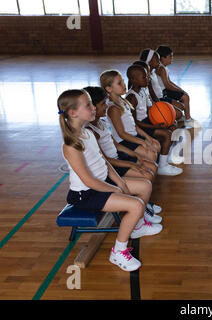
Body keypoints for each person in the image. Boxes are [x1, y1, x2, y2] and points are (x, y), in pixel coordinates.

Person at [57, 89, 162, 272]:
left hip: (102, 183)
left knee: (145, 185)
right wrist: (113, 189)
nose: (93, 108)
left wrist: (119, 182)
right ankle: (118, 252)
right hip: (86, 194)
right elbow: (88, 180)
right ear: (73, 113)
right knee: (136, 205)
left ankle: (136, 225)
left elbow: (104, 161)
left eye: (92, 103)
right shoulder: (71, 145)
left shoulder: (88, 133)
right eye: (88, 105)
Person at [100, 70, 182, 176]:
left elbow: (134, 125)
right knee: (152, 153)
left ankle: (160, 165)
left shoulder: (123, 101)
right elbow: (122, 134)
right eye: (119, 83)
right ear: (109, 89)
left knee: (155, 144)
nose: (124, 85)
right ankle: (148, 170)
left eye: (123, 81)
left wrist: (147, 137)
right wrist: (142, 142)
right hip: (124, 142)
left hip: (133, 135)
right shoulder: (113, 108)